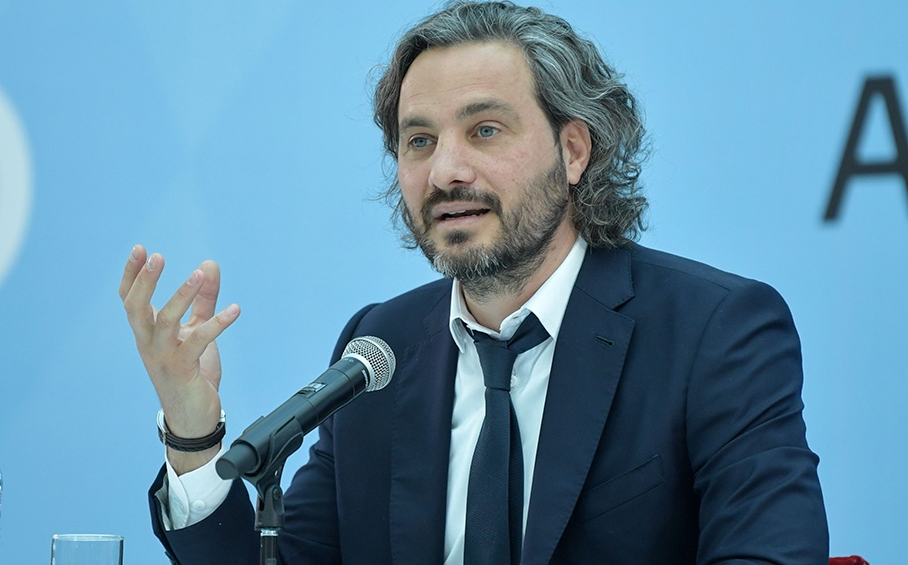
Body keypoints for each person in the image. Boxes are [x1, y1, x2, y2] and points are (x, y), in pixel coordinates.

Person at [119, 1, 828, 563]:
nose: (446, 171)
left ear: (572, 150)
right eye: (419, 141)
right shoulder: (379, 349)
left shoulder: (713, 332)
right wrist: (192, 431)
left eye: (485, 130)